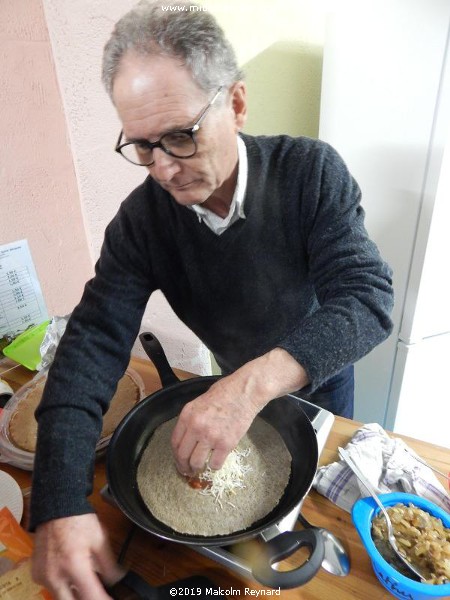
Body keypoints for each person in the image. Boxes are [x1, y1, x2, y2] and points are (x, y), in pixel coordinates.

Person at [30, 1, 394, 598]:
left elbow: (367, 299)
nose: (165, 170)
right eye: (144, 146)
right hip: (229, 379)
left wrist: (248, 386)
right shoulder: (143, 221)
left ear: (238, 103)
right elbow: (92, 343)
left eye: (181, 136)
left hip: (316, 386)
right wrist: (59, 500)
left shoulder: (310, 173)